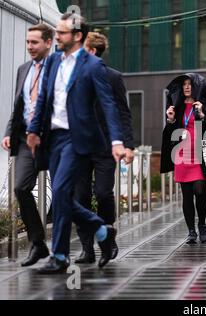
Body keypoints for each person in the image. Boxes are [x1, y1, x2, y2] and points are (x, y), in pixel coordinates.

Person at [27, 14, 124, 273]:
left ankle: (59, 256)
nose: (57, 36)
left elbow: (108, 105)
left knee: (60, 193)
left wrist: (117, 140)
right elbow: (44, 98)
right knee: (63, 196)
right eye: (57, 32)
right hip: (53, 139)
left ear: (77, 36)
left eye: (62, 33)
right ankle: (101, 230)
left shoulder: (93, 66)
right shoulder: (53, 62)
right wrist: (34, 130)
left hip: (76, 139)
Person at [73, 32, 135, 264]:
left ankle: (108, 235)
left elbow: (123, 113)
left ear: (90, 51)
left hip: (106, 148)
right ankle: (87, 248)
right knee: (80, 197)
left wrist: (128, 145)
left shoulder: (113, 77)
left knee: (102, 192)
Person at [1, 24, 54, 267]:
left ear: (48, 42)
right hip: (25, 139)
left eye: (35, 42)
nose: (30, 47)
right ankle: (38, 242)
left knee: (66, 191)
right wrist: (9, 131)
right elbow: (19, 105)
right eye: (27, 42)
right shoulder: (23, 69)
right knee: (21, 188)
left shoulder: (59, 68)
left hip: (53, 139)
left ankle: (93, 236)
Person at [160, 73, 206, 244]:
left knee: (200, 191)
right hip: (182, 156)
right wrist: (171, 120)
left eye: (189, 84)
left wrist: (203, 115)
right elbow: (170, 133)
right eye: (184, 85)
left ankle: (202, 225)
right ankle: (191, 231)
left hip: (200, 155)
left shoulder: (202, 106)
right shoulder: (178, 106)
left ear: (195, 87)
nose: (187, 87)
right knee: (187, 195)